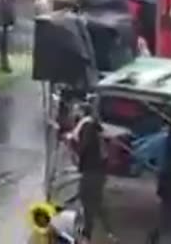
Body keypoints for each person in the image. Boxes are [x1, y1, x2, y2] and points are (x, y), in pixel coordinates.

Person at [70, 102, 111, 241]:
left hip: (91, 170)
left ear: (82, 112)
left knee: (88, 199)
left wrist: (75, 148)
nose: (74, 113)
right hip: (97, 170)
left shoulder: (87, 125)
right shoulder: (92, 125)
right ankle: (100, 230)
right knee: (94, 201)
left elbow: (84, 146)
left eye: (76, 110)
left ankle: (91, 232)